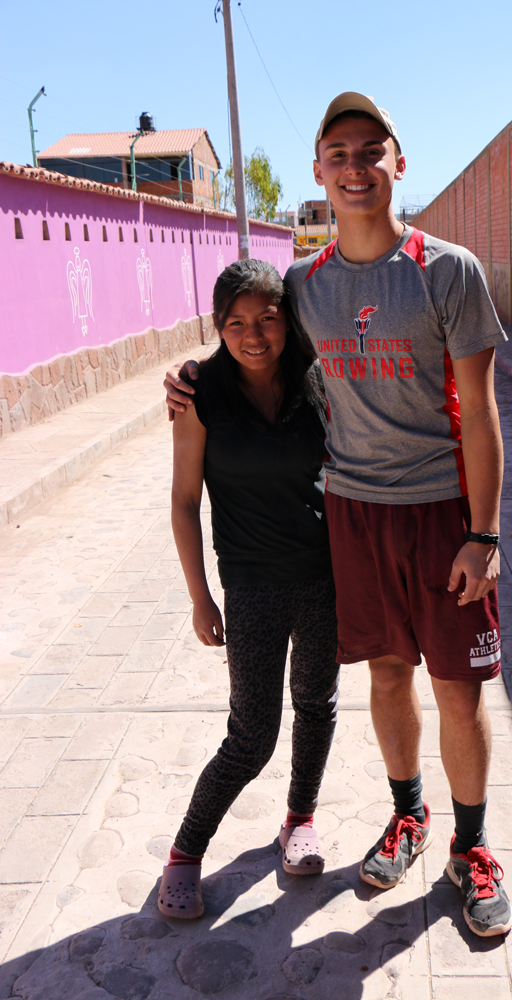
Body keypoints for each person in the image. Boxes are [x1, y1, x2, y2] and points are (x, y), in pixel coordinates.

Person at [164, 93, 512, 937]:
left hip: (440, 513)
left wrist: (484, 533)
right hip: (351, 515)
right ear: (318, 171)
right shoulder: (303, 285)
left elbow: (481, 409)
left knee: (458, 692)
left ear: (398, 162)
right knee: (386, 677)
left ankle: (471, 848)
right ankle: (408, 815)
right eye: (338, 155)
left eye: (370, 151)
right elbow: (249, 339)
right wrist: (191, 377)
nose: (355, 168)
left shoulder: (447, 270)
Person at [159, 259, 339, 919]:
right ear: (217, 326)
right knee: (252, 735)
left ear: (287, 319)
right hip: (252, 586)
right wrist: (200, 596)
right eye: (235, 323)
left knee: (316, 706)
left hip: (323, 578)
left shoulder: (318, 375)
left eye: (267, 317)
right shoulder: (199, 392)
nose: (254, 335)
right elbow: (184, 502)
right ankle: (184, 853)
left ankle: (299, 821)